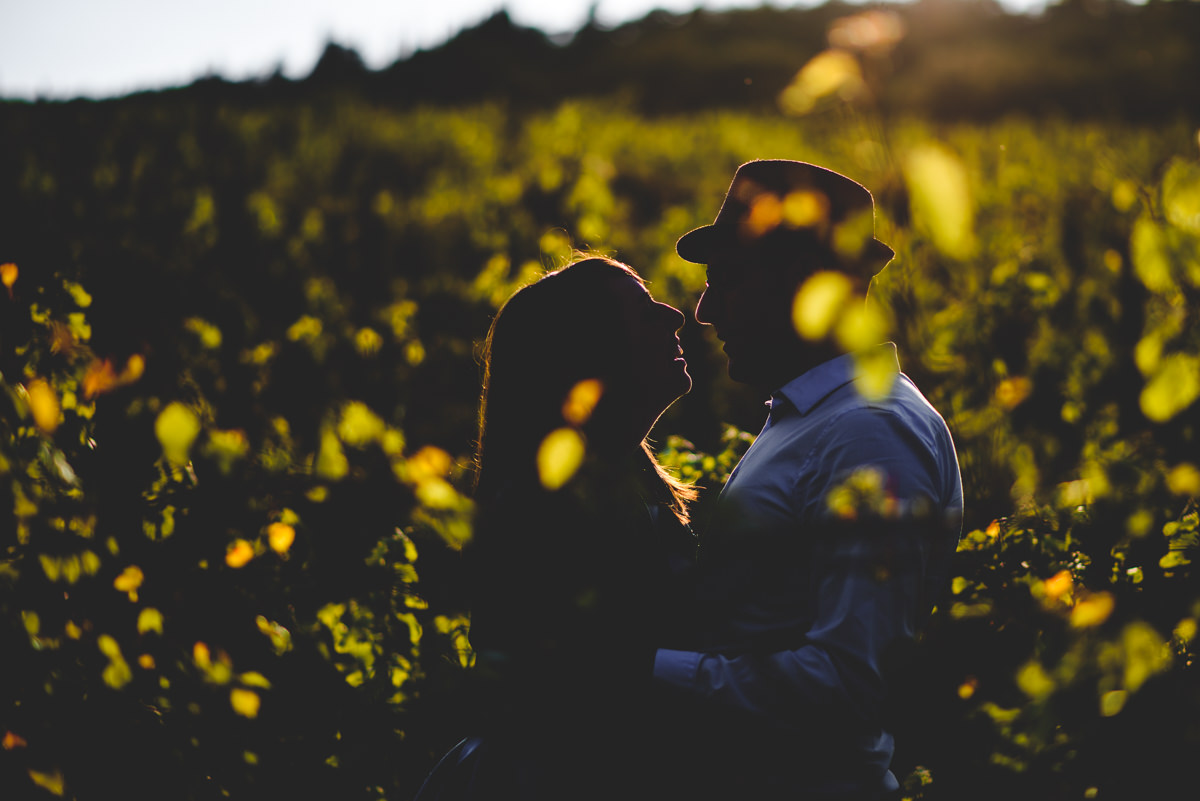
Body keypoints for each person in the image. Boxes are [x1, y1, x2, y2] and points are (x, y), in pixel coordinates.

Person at [653, 160, 964, 800]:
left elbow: (847, 685)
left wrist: (631, 671)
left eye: (728, 281)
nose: (704, 310)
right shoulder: (819, 418)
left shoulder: (869, 436)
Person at [415, 256, 698, 800]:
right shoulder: (545, 514)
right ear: (590, 356)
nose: (673, 316)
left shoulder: (635, 489)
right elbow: (581, 705)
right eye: (643, 314)